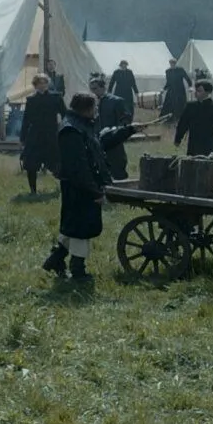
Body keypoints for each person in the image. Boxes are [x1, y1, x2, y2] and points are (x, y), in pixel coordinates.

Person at [42, 93, 142, 284]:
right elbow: (78, 167)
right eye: (94, 107)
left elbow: (99, 143)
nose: (96, 110)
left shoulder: (82, 125)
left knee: (74, 226)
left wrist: (128, 130)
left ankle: (56, 259)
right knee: (81, 228)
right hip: (79, 187)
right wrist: (94, 191)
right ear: (86, 109)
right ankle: (77, 270)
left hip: (83, 185)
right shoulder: (71, 130)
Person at [19, 73, 65, 196]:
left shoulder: (56, 97)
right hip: (35, 135)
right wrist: (22, 138)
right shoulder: (31, 100)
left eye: (44, 83)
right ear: (35, 85)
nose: (43, 85)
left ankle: (63, 188)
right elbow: (26, 120)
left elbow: (65, 114)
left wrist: (65, 130)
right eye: (40, 83)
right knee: (31, 164)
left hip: (51, 134)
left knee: (57, 163)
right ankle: (33, 191)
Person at [90, 74, 135, 182]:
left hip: (113, 141)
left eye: (95, 88)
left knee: (117, 168)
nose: (93, 92)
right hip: (97, 142)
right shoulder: (91, 103)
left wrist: (115, 130)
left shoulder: (116, 101)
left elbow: (125, 119)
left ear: (103, 87)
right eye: (91, 89)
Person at [174, 79, 213, 158]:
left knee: (207, 164)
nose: (196, 93)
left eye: (199, 91)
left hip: (208, 145)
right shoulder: (190, 107)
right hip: (193, 144)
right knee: (191, 163)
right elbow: (183, 124)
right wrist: (178, 139)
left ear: (207, 92)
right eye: (196, 90)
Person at [162, 58, 191, 123]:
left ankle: (180, 118)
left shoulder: (180, 70)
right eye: (171, 63)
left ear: (175, 63)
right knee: (169, 104)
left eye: (173, 63)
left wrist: (190, 86)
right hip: (171, 90)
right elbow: (168, 82)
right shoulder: (168, 71)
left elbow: (187, 78)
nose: (172, 64)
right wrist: (164, 89)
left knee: (180, 104)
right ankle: (168, 118)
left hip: (180, 90)